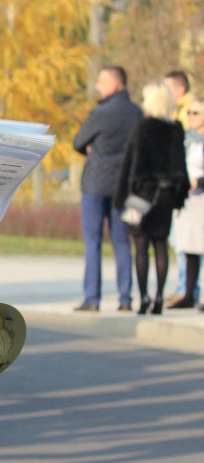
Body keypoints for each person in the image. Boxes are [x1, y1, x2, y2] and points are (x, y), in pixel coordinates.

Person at [114, 82, 189, 314]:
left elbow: (131, 164)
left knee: (141, 245)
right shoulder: (175, 129)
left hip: (143, 192)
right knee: (160, 244)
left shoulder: (143, 127)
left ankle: (144, 297)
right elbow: (180, 166)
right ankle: (158, 298)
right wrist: (179, 195)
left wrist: (122, 196)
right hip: (166, 194)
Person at [73, 65, 143, 312]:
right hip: (123, 185)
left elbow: (78, 142)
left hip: (95, 184)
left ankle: (92, 299)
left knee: (93, 241)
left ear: (115, 84)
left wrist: (91, 148)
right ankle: (125, 299)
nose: (97, 86)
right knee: (122, 241)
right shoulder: (137, 113)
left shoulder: (100, 113)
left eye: (101, 81)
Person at [169, 95, 204, 309]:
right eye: (189, 112)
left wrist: (199, 181)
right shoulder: (185, 138)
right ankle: (189, 293)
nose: (191, 116)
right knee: (188, 247)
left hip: (201, 198)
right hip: (186, 200)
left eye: (196, 113)